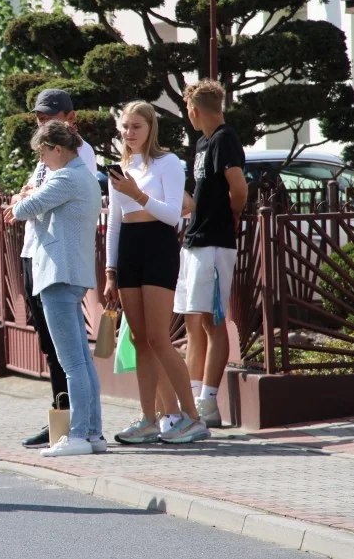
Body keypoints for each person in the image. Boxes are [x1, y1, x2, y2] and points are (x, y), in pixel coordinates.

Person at [104, 101, 210, 444]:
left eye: (136, 126)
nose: (129, 133)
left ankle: (193, 418)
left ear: (151, 128)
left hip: (158, 246)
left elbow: (171, 215)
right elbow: (114, 225)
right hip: (129, 248)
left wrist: (136, 193)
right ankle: (150, 418)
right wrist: (110, 270)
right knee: (138, 340)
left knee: (158, 339)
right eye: (125, 126)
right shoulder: (120, 167)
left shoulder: (168, 163)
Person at [6, 121, 104, 457]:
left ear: (58, 149)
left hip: (58, 275)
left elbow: (22, 209)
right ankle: (93, 433)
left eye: (43, 153)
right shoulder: (85, 177)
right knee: (83, 362)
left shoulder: (64, 177)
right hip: (73, 274)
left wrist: (23, 195)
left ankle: (77, 435)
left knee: (72, 363)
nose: (42, 161)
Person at [176, 80, 248, 428]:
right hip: (195, 240)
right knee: (194, 320)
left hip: (215, 242)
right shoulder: (202, 142)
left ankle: (208, 402)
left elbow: (239, 188)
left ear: (194, 110)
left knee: (212, 321)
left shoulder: (223, 139)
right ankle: (192, 398)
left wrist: (232, 217)